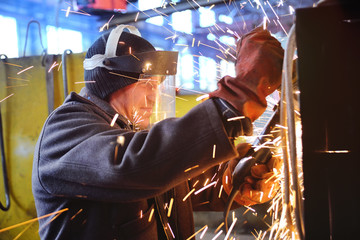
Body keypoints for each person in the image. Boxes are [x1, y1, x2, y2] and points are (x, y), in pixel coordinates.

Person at [32, 24, 284, 240]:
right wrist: (232, 106)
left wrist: (232, 179)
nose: (154, 97)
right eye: (146, 84)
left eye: (158, 86)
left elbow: (175, 183)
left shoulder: (130, 133)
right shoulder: (65, 128)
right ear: (111, 79)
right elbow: (133, 166)